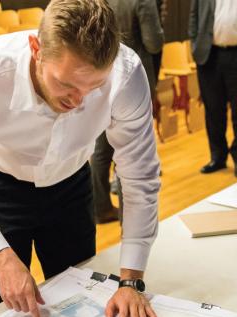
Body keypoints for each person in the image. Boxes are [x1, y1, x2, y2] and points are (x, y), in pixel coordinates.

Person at [0, 0, 161, 317]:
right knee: (10, 309)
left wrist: (131, 281)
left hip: (72, 186)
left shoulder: (125, 73)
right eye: (66, 84)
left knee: (82, 301)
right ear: (36, 48)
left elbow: (139, 178)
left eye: (94, 87)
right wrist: (0, 257)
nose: (78, 101)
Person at [92, 0, 164, 224]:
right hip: (133, 80)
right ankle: (130, 220)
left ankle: (100, 208)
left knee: (101, 150)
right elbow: (153, 43)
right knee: (130, 153)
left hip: (99, 79)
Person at [189, 0, 237, 178]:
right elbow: (194, 16)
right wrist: (194, 46)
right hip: (209, 56)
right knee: (213, 110)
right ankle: (217, 157)